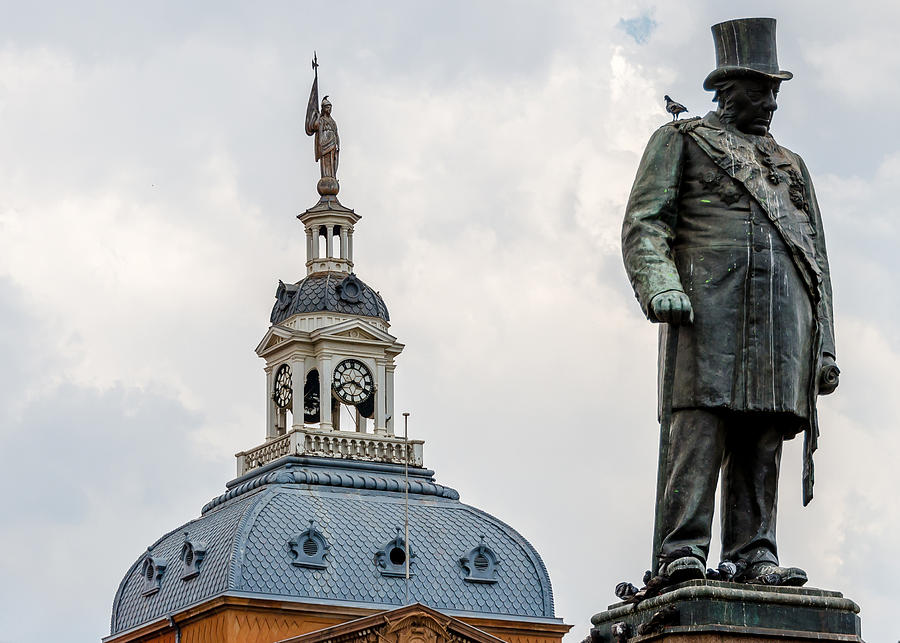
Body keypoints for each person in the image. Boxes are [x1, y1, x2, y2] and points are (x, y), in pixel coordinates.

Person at [621, 18, 839, 586]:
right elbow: (645, 224)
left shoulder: (791, 166)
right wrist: (659, 283)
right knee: (699, 431)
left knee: (762, 441)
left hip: (781, 326)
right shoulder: (684, 140)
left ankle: (754, 553)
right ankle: (681, 551)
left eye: (774, 90)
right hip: (708, 315)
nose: (770, 101)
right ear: (726, 88)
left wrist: (824, 348)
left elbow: (817, 262)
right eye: (759, 89)